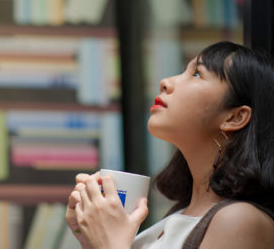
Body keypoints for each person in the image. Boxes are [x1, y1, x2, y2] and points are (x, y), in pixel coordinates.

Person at [65, 41, 274, 249]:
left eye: (197, 74)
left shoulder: (240, 221)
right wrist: (92, 239)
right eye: (185, 71)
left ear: (235, 117)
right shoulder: (178, 216)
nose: (165, 82)